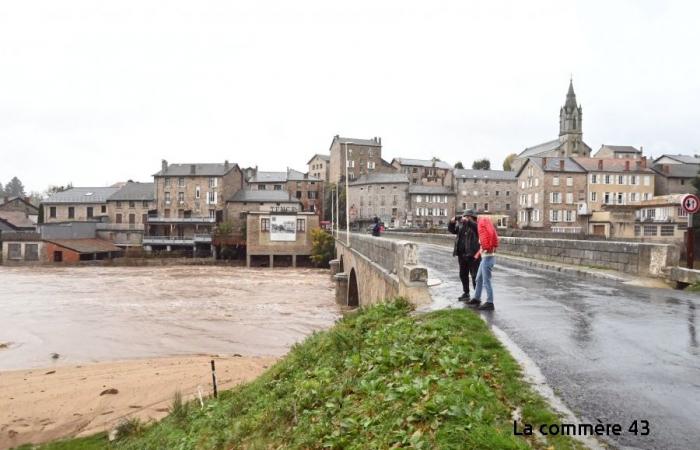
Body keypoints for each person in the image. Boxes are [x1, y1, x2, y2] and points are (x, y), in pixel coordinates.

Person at [468, 215, 499, 310]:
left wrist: (487, 248)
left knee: (486, 281)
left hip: (488, 258)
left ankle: (490, 302)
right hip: (485, 258)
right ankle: (477, 298)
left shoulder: (483, 229)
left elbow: (487, 245)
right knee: (478, 279)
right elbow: (486, 244)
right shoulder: (486, 229)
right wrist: (478, 254)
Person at [448, 209, 480, 301]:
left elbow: (476, 228)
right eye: (464, 216)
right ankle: (466, 293)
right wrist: (452, 222)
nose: (465, 218)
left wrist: (468, 221)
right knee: (463, 274)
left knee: (475, 276)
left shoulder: (476, 225)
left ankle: (477, 296)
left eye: (467, 216)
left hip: (473, 255)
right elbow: (452, 230)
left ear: (472, 217)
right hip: (462, 255)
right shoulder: (461, 225)